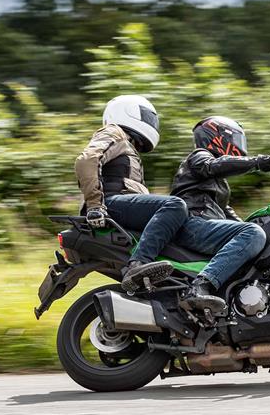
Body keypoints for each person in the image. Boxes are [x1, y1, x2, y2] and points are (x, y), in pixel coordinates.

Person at [170, 116, 270, 313]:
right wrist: (263, 162)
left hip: (206, 226)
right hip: (193, 224)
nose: (239, 145)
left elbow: (227, 213)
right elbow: (211, 166)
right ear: (217, 136)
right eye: (235, 138)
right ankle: (200, 286)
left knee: (262, 236)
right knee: (254, 233)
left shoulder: (219, 183)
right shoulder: (199, 157)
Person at [75, 95, 188, 290]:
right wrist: (95, 205)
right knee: (174, 205)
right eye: (147, 117)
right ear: (127, 112)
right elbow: (87, 161)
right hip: (110, 203)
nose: (152, 123)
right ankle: (138, 264)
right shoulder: (114, 132)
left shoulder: (127, 144)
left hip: (118, 204)